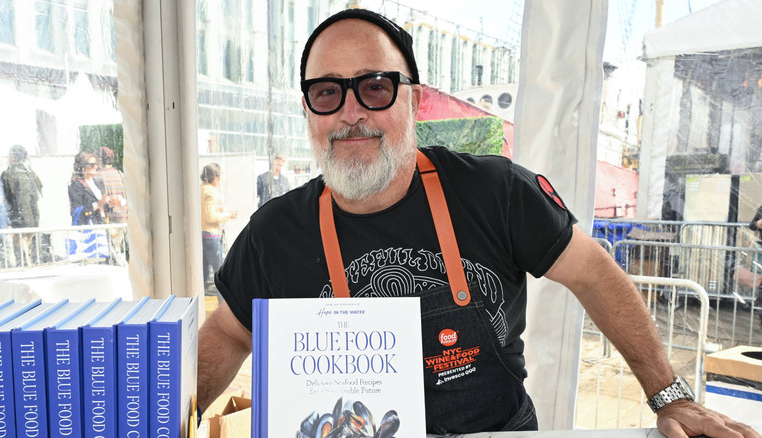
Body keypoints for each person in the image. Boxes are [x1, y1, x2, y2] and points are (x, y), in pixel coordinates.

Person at [197, 9, 758, 437]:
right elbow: (227, 331)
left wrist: (671, 397)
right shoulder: (273, 233)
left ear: (412, 100)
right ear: (308, 111)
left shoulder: (495, 193)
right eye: (327, 92)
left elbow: (594, 273)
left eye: (375, 87)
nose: (352, 111)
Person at [1, 144, 43, 266]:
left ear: (12, 157)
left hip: (17, 221)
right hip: (32, 219)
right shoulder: (31, 174)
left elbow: (5, 199)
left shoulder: (7, 175)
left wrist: (9, 221)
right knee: (28, 252)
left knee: (20, 256)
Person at [200, 163, 237, 294]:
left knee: (203, 274)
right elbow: (210, 217)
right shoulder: (210, 192)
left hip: (202, 235)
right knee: (222, 275)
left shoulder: (200, 189)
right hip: (211, 236)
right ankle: (224, 303)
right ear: (215, 178)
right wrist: (228, 215)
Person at [94, 147, 127, 263]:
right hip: (122, 217)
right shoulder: (120, 174)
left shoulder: (97, 176)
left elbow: (98, 199)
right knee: (117, 249)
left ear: (99, 159)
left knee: (108, 252)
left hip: (108, 218)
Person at [68, 151, 109, 226]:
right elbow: (77, 212)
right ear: (82, 166)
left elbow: (104, 207)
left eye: (96, 164)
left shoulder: (99, 184)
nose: (96, 167)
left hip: (101, 226)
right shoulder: (76, 186)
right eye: (92, 165)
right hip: (86, 230)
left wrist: (111, 203)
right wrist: (97, 204)